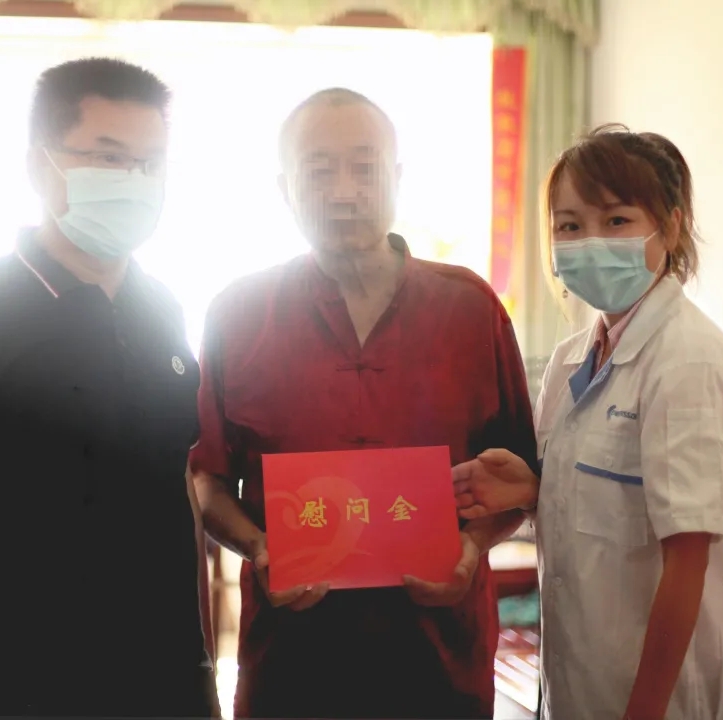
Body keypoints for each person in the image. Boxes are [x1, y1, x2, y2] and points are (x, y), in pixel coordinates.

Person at [189, 87, 537, 719]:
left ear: (397, 177)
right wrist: (260, 548)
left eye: (364, 166)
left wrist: (472, 547)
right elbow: (206, 479)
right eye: (319, 170)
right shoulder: (238, 314)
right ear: (285, 188)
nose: (344, 190)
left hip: (440, 658)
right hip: (292, 663)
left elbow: (519, 479)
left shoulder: (469, 308)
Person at [0, 58, 217, 717]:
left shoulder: (162, 310)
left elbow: (177, 493)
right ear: (41, 168)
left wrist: (205, 681)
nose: (134, 180)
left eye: (150, 164)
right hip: (25, 687)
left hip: (167, 688)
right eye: (109, 157)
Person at [453, 125, 723, 720]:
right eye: (569, 226)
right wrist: (535, 491)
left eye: (617, 220)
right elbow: (611, 505)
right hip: (581, 682)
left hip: (661, 698)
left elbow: (687, 561)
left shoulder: (687, 363)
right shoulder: (571, 361)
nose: (590, 242)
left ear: (670, 227)